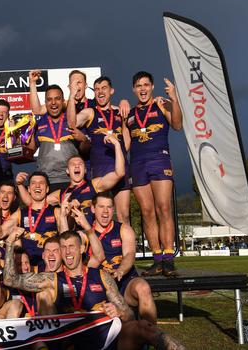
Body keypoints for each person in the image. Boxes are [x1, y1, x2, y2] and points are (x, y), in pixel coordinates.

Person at [3, 229, 184, 350]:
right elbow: (10, 279)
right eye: (63, 248)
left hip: (103, 336)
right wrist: (10, 244)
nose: (67, 252)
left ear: (82, 248)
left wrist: (118, 310)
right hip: (72, 340)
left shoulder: (101, 276)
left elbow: (129, 315)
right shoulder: (51, 279)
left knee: (145, 327)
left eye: (71, 246)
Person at [126, 71, 182, 277]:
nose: (142, 89)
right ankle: (157, 258)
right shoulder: (130, 114)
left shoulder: (162, 104)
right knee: (147, 212)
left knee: (164, 208)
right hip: (138, 165)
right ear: (134, 89)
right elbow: (125, 144)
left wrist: (174, 99)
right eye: (138, 85)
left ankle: (169, 259)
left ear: (152, 87)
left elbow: (177, 125)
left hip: (159, 159)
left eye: (146, 85)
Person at [67, 76, 133, 225]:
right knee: (100, 216)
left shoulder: (119, 111)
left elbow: (127, 138)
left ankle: (126, 248)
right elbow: (72, 123)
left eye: (104, 88)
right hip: (100, 170)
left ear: (111, 91)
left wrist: (121, 155)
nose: (100, 92)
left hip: (121, 168)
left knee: (124, 216)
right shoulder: (90, 112)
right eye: (96, 89)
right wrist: (71, 96)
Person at [87, 192, 157, 323]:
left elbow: (129, 255)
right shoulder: (86, 233)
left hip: (124, 281)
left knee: (143, 288)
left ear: (113, 209)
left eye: (109, 207)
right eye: (101, 206)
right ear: (93, 208)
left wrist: (121, 270)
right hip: (99, 285)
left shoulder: (123, 229)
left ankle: (152, 334)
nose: (105, 211)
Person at [28, 70, 84, 192]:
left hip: (71, 179)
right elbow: (31, 150)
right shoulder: (39, 123)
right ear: (46, 102)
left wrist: (72, 94)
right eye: (49, 99)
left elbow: (74, 126)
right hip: (46, 181)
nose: (53, 103)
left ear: (63, 101)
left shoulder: (72, 118)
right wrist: (32, 83)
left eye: (57, 99)